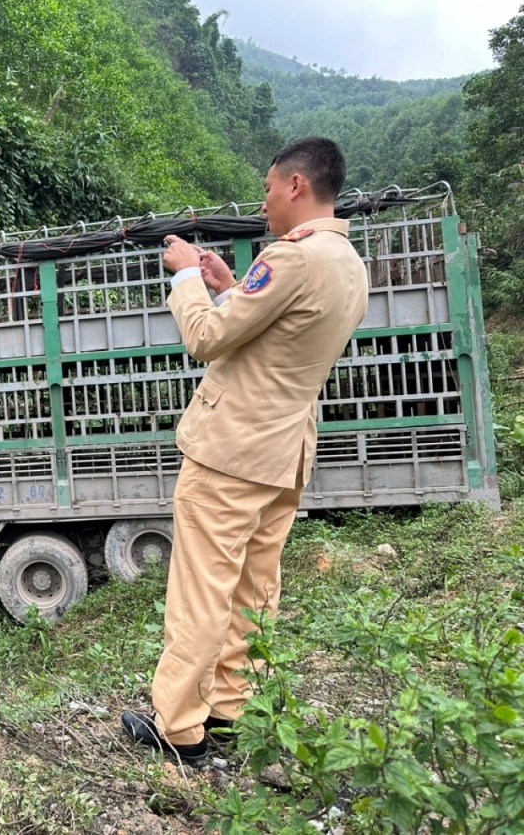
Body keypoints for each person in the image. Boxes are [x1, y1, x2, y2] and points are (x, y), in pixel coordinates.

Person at [120, 137, 369, 764]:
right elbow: (276, 335)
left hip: (231, 453)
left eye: (267, 187)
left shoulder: (292, 259)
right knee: (255, 589)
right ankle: (233, 709)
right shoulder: (346, 262)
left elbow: (207, 338)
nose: (263, 203)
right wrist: (231, 285)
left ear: (295, 186)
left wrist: (182, 275)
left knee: (204, 589)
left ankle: (179, 728)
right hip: (285, 454)